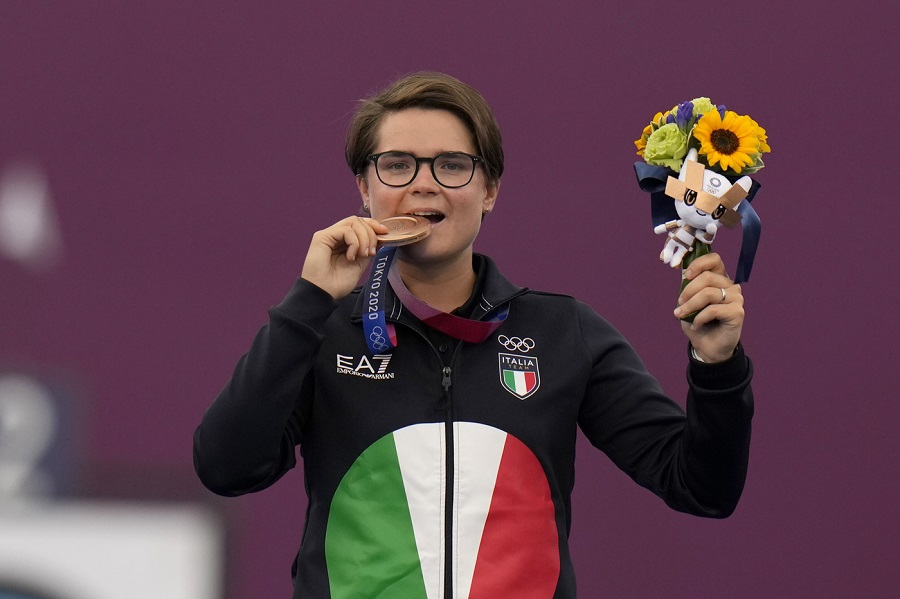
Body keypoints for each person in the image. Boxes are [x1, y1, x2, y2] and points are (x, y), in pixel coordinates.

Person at [193, 72, 753, 599]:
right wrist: (309, 300)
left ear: (490, 191)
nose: (424, 184)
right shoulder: (323, 333)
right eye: (397, 165)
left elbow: (702, 488)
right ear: (364, 188)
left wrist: (717, 367)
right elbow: (226, 467)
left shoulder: (564, 334)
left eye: (452, 165)